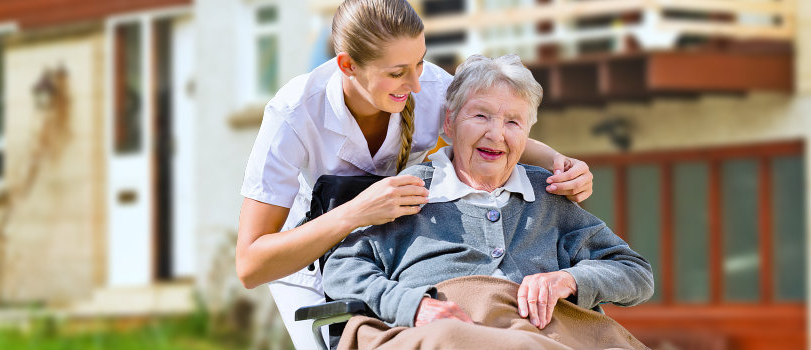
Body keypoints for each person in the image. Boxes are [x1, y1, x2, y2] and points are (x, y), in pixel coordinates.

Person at [235, 1, 595, 347]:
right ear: (348, 66)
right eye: (397, 73)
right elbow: (250, 265)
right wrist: (357, 211)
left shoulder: (433, 88)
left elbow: (488, 132)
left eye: (419, 63)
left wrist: (559, 162)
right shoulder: (294, 114)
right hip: (311, 260)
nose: (417, 85)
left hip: (395, 254)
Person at [320, 54, 653, 350]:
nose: (497, 134)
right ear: (449, 123)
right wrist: (411, 305)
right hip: (450, 334)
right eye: (481, 116)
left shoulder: (548, 196)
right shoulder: (408, 192)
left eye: (513, 122)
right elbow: (343, 268)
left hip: (550, 334)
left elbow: (635, 273)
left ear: (527, 133)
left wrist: (569, 280)